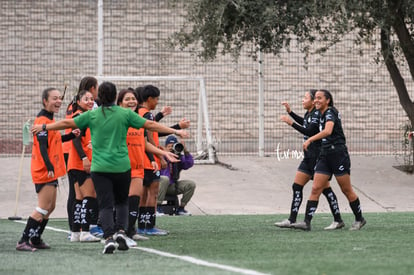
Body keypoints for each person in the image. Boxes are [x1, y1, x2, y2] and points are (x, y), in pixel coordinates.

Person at [31, 81, 189, 254]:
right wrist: (176, 131)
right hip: (122, 167)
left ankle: (108, 238)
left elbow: (67, 124)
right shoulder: (124, 114)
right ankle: (121, 232)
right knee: (122, 203)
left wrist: (44, 126)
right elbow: (150, 125)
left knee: (105, 205)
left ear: (100, 97)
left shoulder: (92, 115)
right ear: (115, 97)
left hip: (99, 168)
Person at [291, 89, 366, 231]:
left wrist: (310, 140)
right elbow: (310, 127)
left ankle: (359, 219)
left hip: (338, 155)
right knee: (316, 188)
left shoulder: (331, 112)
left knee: (346, 189)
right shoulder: (318, 114)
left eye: (320, 98)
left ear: (328, 100)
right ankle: (306, 222)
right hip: (324, 155)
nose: (316, 100)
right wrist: (291, 115)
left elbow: (327, 131)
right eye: (315, 98)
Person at [16, 88, 79, 252]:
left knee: (50, 207)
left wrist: (72, 135)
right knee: (43, 207)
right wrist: (50, 167)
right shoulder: (42, 120)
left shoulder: (50, 121)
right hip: (44, 170)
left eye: (59, 98)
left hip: (51, 170)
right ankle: (23, 240)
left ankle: (35, 238)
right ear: (45, 101)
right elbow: (43, 147)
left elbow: (56, 139)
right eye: (54, 98)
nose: (58, 101)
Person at [274, 90, 344, 230]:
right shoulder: (309, 114)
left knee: (325, 190)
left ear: (313, 101)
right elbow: (305, 122)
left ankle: (337, 219)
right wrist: (290, 112)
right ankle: (291, 219)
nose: (302, 100)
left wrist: (291, 123)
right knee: (297, 186)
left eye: (305, 98)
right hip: (308, 158)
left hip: (318, 158)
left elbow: (310, 131)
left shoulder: (318, 114)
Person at [116, 88, 179, 243]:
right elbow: (152, 131)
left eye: (133, 99)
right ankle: (125, 230)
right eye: (127, 99)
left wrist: (159, 153)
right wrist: (176, 128)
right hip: (121, 167)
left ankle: (132, 230)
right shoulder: (119, 120)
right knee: (144, 195)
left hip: (138, 165)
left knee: (135, 199)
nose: (131, 102)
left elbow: (145, 140)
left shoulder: (137, 119)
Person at [136, 85, 189, 236]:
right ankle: (149, 225)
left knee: (144, 194)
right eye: (157, 98)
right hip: (149, 160)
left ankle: (142, 225)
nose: (157, 102)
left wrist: (162, 117)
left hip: (141, 159)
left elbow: (151, 133)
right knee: (151, 194)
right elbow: (150, 137)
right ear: (149, 99)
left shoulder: (139, 113)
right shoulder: (147, 115)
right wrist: (159, 155)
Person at [63, 76, 101, 238]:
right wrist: (85, 158)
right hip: (80, 161)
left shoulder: (80, 112)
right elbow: (76, 139)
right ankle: (85, 231)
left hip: (74, 160)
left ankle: (75, 232)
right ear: (78, 101)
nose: (91, 102)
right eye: (87, 99)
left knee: (78, 197)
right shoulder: (81, 115)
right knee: (89, 195)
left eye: (92, 99)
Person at [157, 135, 196, 216]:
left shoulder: (179, 157)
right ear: (165, 147)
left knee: (191, 184)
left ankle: (181, 208)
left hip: (172, 185)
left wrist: (185, 150)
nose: (171, 148)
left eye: (173, 146)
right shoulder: (161, 157)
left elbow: (189, 164)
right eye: (169, 146)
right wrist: (166, 157)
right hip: (159, 186)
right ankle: (157, 207)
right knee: (165, 179)